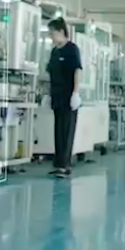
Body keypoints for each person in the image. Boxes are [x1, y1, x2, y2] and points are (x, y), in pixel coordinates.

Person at [44, 18, 84, 177]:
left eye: (52, 33)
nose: (51, 37)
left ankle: (65, 165)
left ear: (61, 32)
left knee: (67, 130)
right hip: (57, 96)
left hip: (68, 96)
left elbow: (77, 71)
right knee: (58, 131)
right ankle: (59, 163)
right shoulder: (55, 52)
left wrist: (75, 93)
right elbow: (50, 74)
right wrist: (48, 93)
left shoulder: (72, 49)